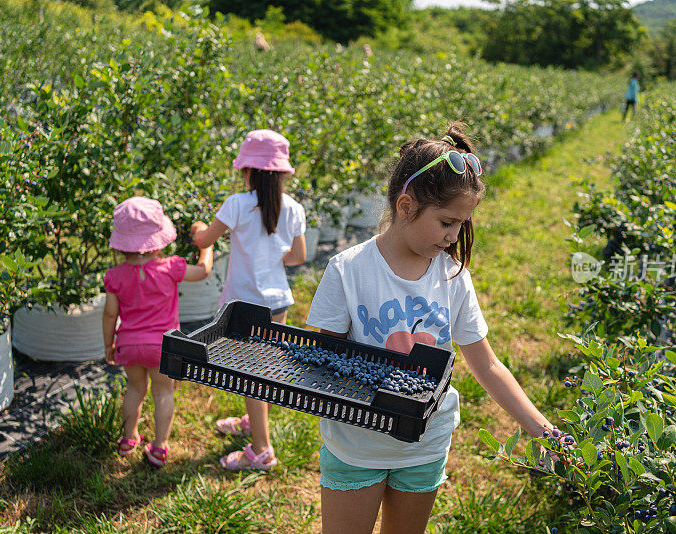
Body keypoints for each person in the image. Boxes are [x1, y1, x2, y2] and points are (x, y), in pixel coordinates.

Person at [305, 122, 559, 533]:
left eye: (461, 223)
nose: (454, 235)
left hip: (425, 442)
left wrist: (543, 430)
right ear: (405, 207)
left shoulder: (452, 277)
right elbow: (323, 361)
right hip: (356, 445)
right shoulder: (348, 270)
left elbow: (488, 365)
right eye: (445, 222)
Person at [192, 129, 307, 471]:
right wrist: (271, 260)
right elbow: (297, 256)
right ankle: (251, 422)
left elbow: (204, 240)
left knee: (249, 375)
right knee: (263, 370)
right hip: (278, 303)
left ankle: (261, 450)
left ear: (248, 171)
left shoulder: (236, 205)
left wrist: (198, 228)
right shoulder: (294, 208)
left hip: (244, 308)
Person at [103, 196, 213, 467]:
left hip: (129, 344)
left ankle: (129, 437)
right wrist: (206, 246)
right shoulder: (170, 266)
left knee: (135, 389)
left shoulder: (114, 275)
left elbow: (109, 314)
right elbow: (202, 271)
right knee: (163, 392)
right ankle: (160, 446)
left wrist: (109, 345)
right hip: (162, 345)